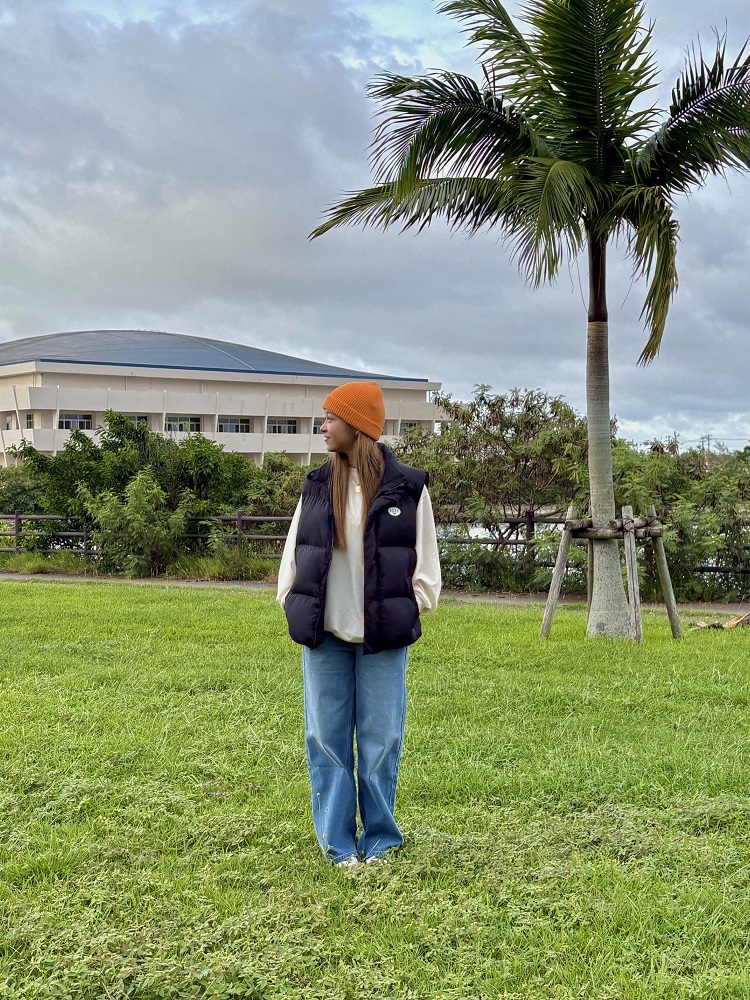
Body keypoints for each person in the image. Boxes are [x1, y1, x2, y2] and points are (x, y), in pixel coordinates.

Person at [277, 380, 441, 867]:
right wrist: (290, 601)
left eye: (331, 417)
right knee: (325, 742)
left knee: (381, 743)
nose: (323, 426)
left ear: (357, 425)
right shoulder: (316, 486)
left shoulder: (408, 488)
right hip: (324, 636)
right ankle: (338, 845)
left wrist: (408, 607)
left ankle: (381, 841)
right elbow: (293, 556)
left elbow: (426, 568)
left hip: (383, 639)